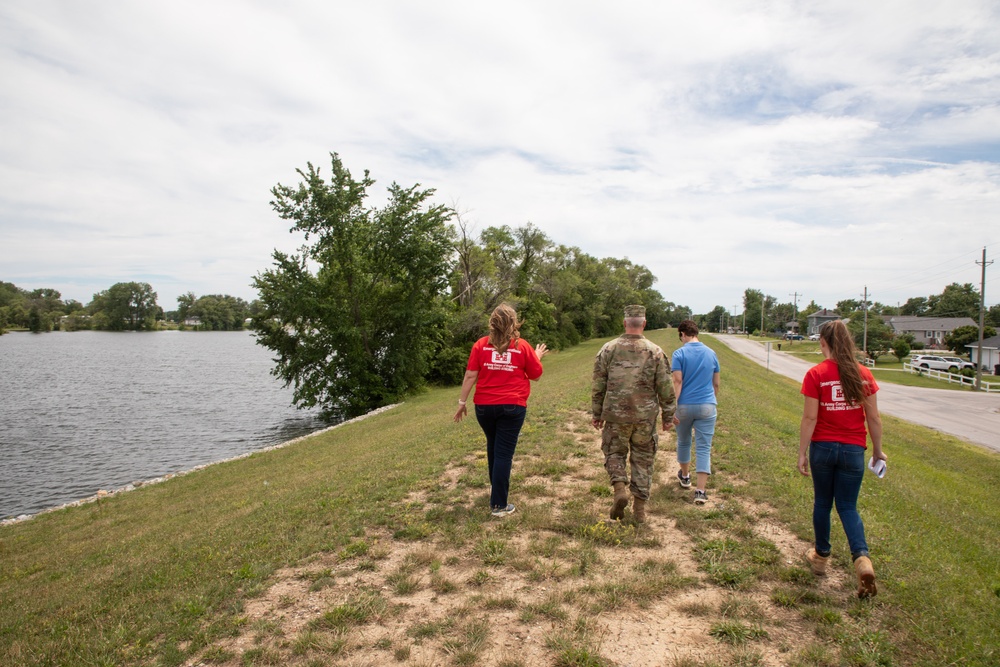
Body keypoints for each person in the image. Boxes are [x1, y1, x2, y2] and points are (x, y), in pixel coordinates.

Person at [798, 319, 886, 599]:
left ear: (823, 342)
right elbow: (873, 417)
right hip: (852, 450)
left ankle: (821, 556)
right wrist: (877, 450)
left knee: (823, 502)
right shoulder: (863, 374)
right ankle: (862, 560)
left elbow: (810, 417)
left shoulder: (816, 373)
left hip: (822, 448)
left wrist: (802, 451)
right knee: (848, 506)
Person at [455, 304, 548, 517]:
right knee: (503, 453)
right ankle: (498, 505)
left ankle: (496, 492)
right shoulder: (522, 346)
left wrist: (462, 403)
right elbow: (536, 374)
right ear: (514, 323)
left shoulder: (480, 345)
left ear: (493, 323)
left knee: (494, 448)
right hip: (512, 406)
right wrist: (536, 355)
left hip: (484, 408)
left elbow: (470, 375)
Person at [592, 305, 675, 523]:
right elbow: (665, 386)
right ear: (644, 323)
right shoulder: (655, 351)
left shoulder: (608, 349)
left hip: (615, 415)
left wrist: (597, 413)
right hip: (644, 418)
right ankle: (639, 511)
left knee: (614, 453)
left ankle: (620, 488)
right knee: (643, 460)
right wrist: (668, 416)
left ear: (624, 323)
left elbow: (598, 384)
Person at [671, 320, 721, 505]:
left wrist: (673, 407)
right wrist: (711, 400)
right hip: (707, 405)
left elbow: (678, 382)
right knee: (703, 447)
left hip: (684, 405)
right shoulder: (711, 353)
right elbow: (716, 383)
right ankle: (700, 491)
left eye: (680, 336)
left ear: (683, 334)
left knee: (684, 441)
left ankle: (685, 476)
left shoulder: (679, 354)